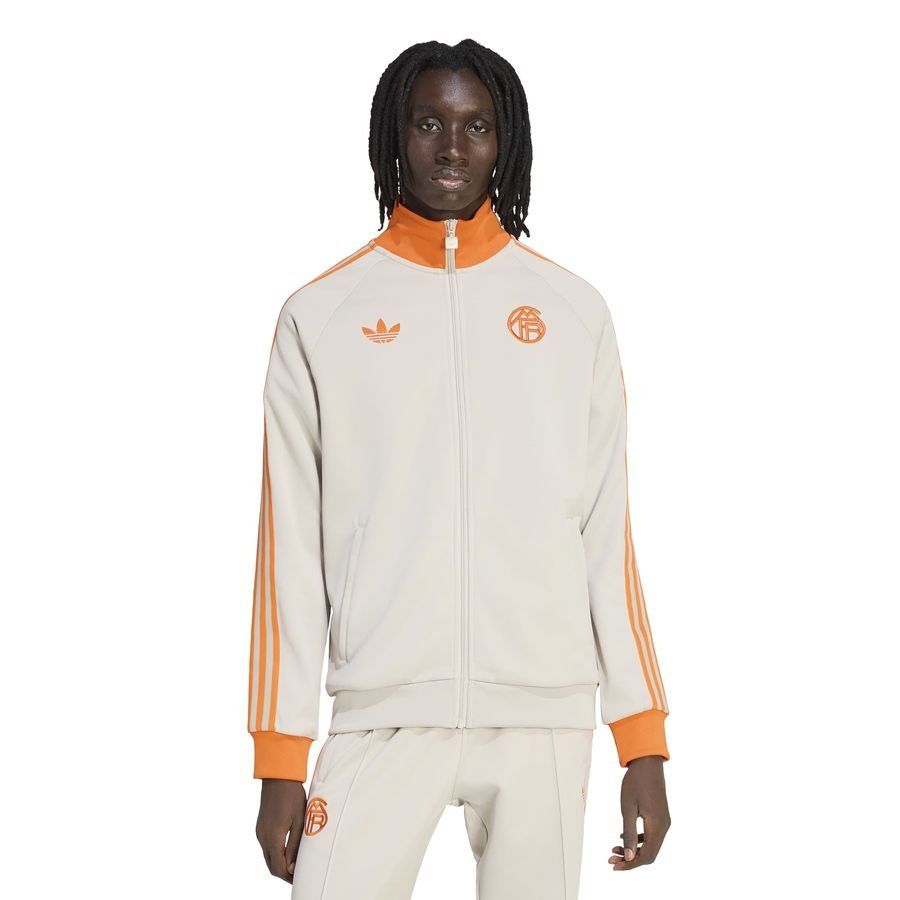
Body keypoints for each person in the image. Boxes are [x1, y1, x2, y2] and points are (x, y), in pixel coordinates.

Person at [247, 38, 671, 900]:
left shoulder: (574, 313)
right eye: (428, 123)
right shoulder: (320, 316)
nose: (451, 146)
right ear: (393, 136)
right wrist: (281, 756)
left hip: (543, 710)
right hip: (382, 707)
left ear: (505, 140)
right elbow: (287, 552)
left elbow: (606, 538)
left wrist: (643, 739)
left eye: (476, 125)